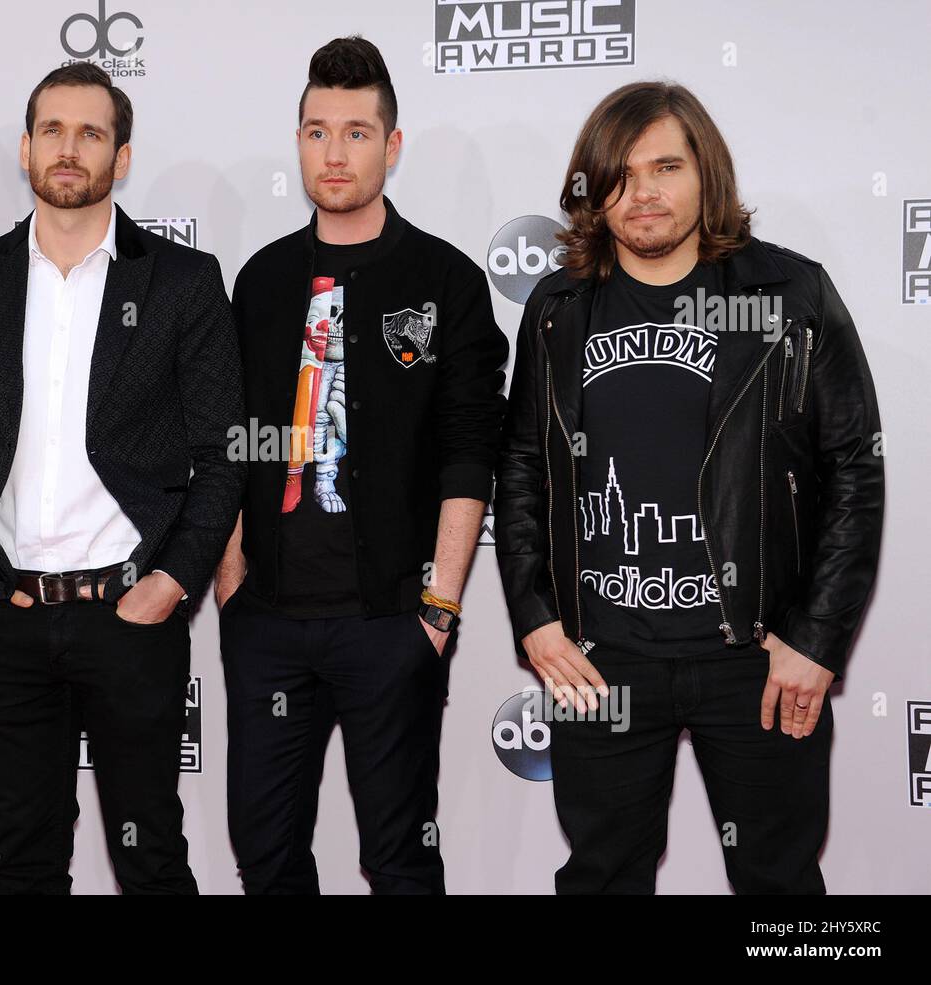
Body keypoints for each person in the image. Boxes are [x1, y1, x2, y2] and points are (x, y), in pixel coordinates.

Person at [494, 81, 884, 894]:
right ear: (594, 190)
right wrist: (535, 617)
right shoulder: (559, 309)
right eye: (621, 173)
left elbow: (854, 468)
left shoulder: (787, 295)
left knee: (780, 885)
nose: (643, 193)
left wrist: (816, 639)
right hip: (601, 661)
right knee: (602, 877)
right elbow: (524, 467)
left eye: (666, 166)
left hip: (755, 658)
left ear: (705, 173)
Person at [0, 62, 245, 894]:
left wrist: (171, 582)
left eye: (91, 133)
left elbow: (223, 455)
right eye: (53, 131)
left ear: (121, 156)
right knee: (25, 860)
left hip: (130, 614)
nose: (70, 149)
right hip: (8, 615)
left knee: (151, 857)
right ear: (27, 148)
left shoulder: (182, 280)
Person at [216, 36, 508, 894]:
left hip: (391, 625)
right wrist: (232, 584)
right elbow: (234, 440)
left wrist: (438, 609)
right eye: (316, 132)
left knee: (399, 861)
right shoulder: (262, 281)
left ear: (392, 144)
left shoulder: (445, 280)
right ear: (298, 141)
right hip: (267, 624)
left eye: (355, 132)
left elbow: (469, 452)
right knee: (266, 858)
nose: (333, 153)